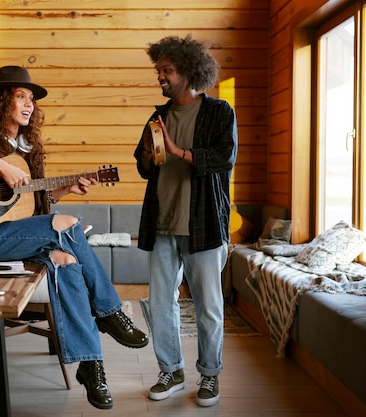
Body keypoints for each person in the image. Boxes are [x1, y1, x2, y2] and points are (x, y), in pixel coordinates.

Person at [0, 65, 148, 410]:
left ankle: (90, 365)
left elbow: (36, 208)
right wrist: (3, 167)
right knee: (69, 224)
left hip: (18, 239)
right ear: (2, 100)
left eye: (31, 99)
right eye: (21, 96)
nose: (29, 104)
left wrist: (64, 188)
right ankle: (108, 310)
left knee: (67, 261)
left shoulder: (28, 149)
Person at [133, 35, 238, 407]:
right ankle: (171, 370)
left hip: (204, 225)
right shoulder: (157, 116)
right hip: (162, 224)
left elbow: (224, 157)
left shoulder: (219, 112)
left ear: (188, 71)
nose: (160, 75)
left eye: (167, 70)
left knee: (208, 306)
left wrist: (182, 152)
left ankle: (209, 376)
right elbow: (144, 166)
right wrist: (147, 153)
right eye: (158, 69)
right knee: (161, 304)